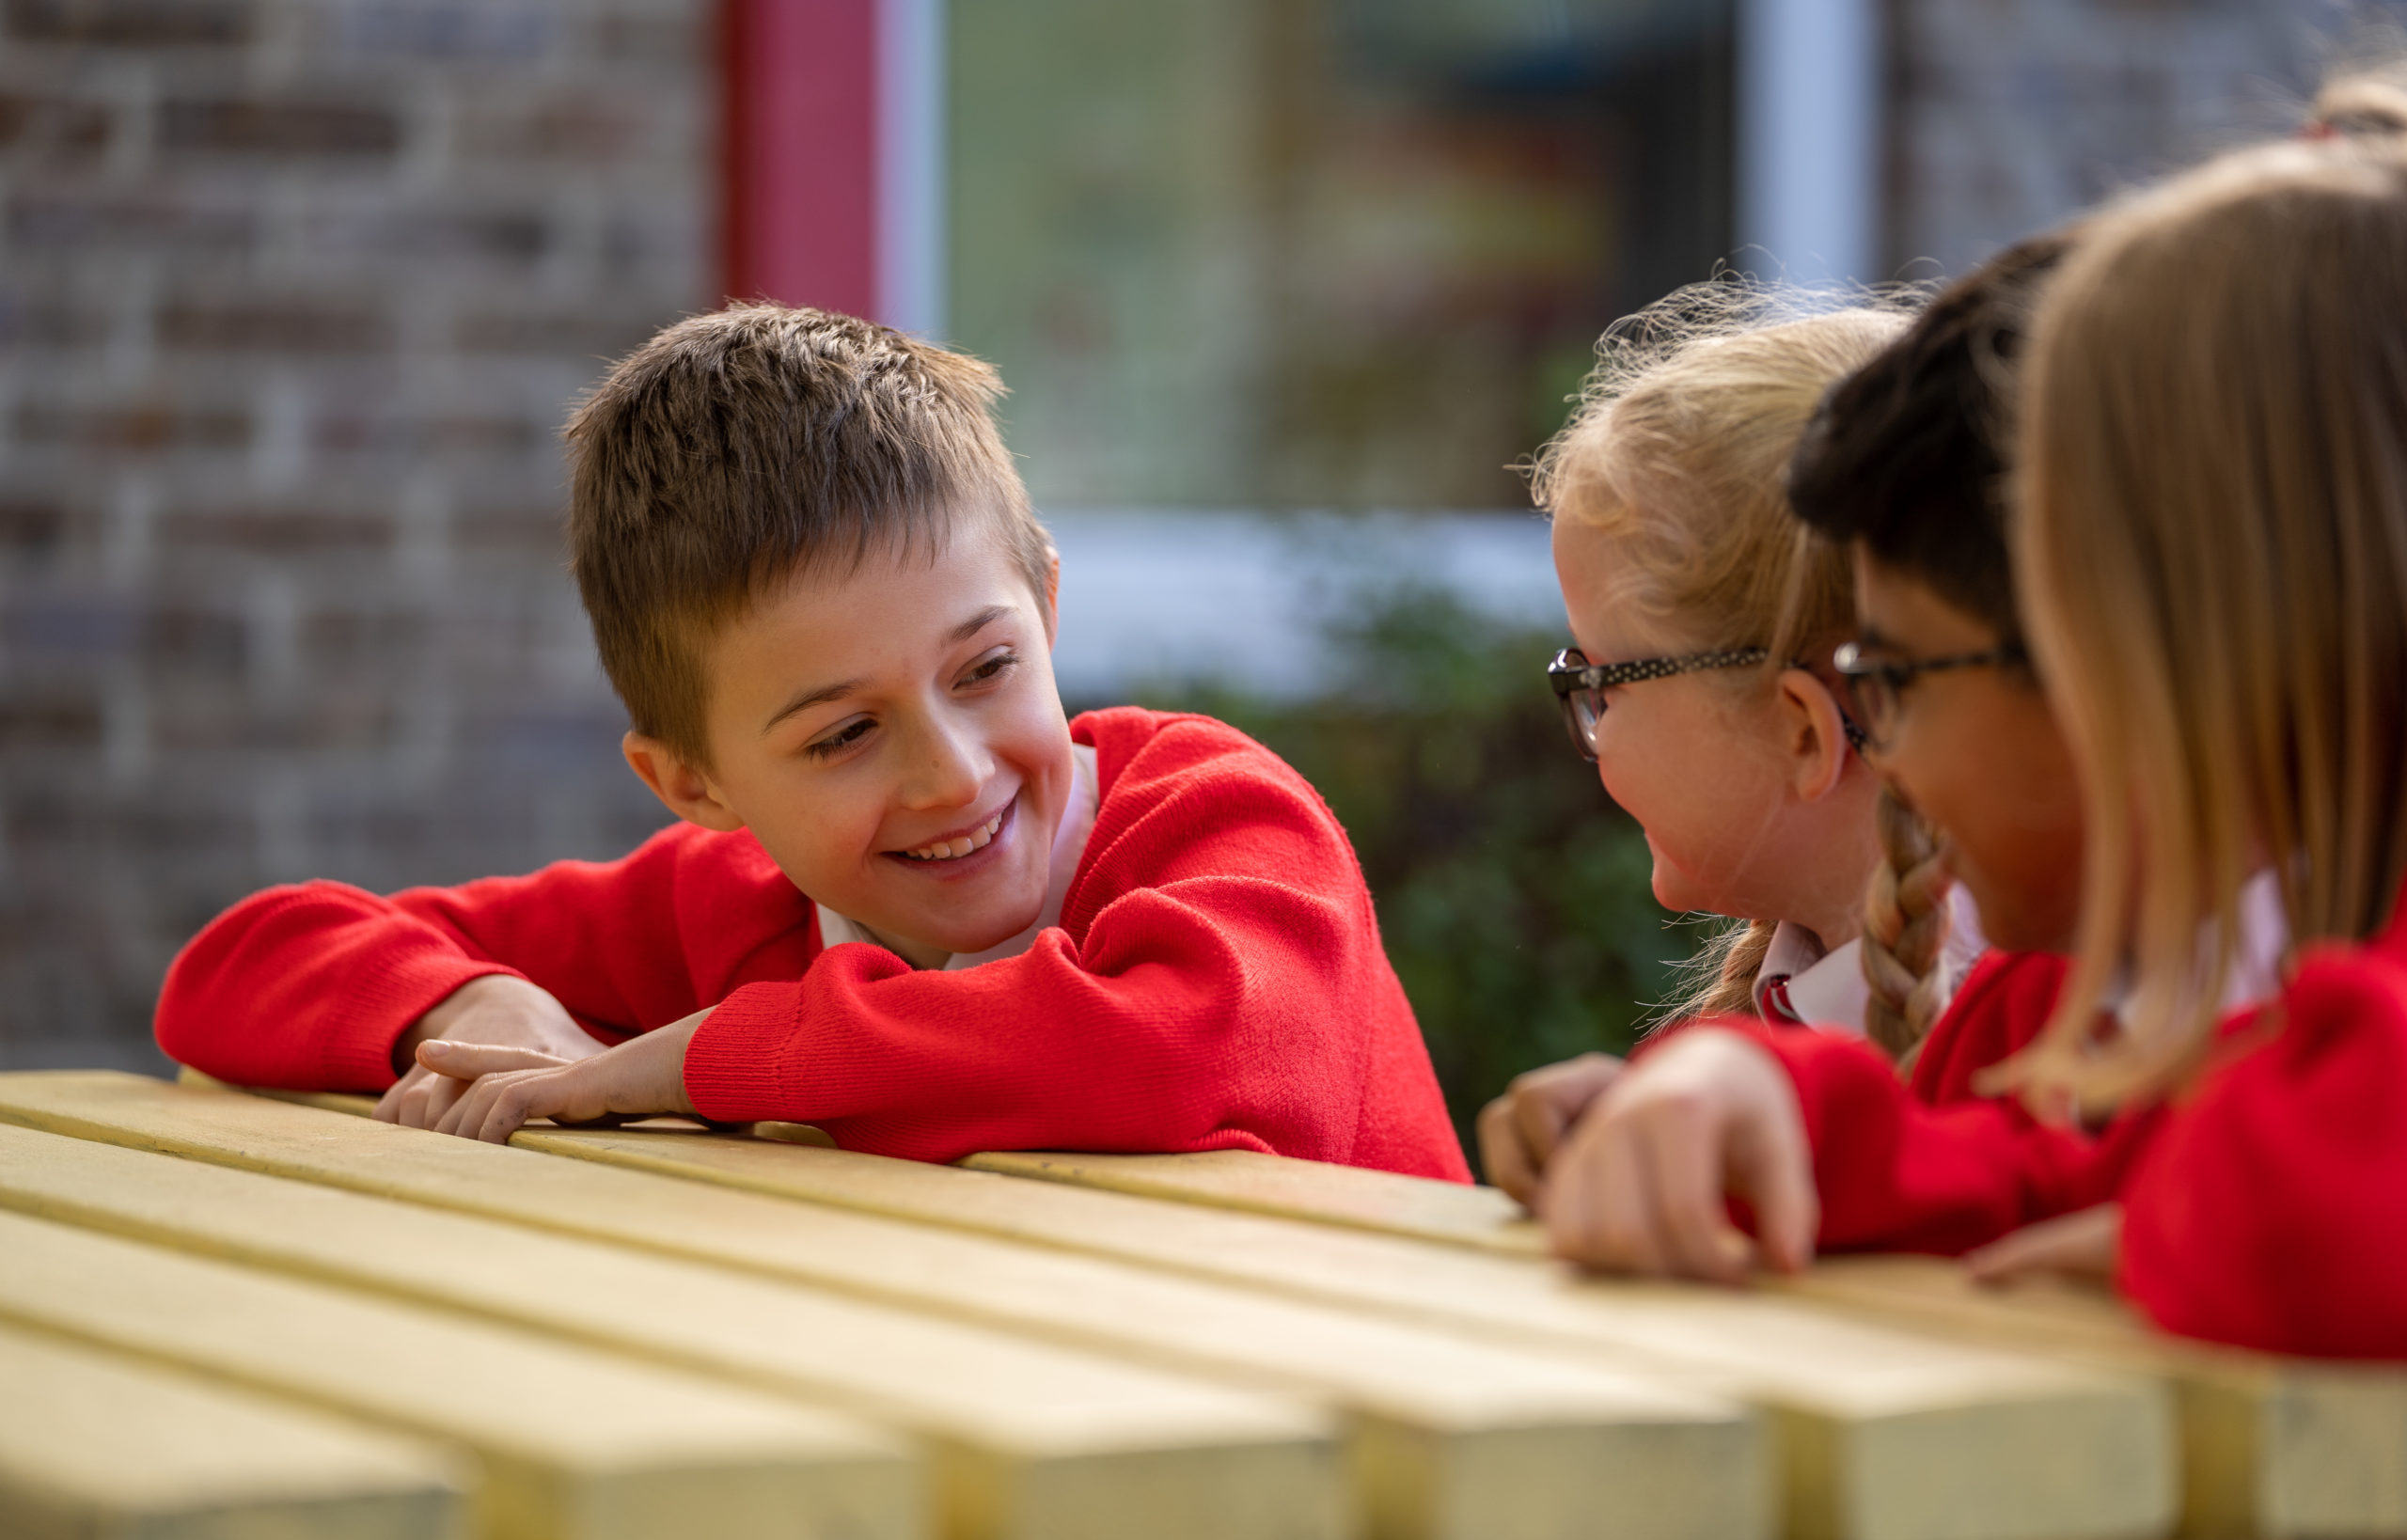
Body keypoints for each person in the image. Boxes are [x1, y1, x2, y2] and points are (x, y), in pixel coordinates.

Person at [154, 305, 1470, 1179]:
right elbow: (239, 964)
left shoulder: (1218, 823)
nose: (952, 770)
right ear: (696, 783)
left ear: (1049, 605)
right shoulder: (734, 906)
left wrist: (703, 1057)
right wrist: (469, 1001)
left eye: (988, 666)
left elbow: (1179, 1052)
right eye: (843, 732)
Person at [1532, 136, 2407, 1364]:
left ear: (2154, 661)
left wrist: (2159, 1225)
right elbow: (2026, 1176)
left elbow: (2330, 1211)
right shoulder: (2106, 984)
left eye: (1896, 681)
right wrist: (1755, 1108)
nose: (1888, 754)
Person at [1477, 289, 1982, 1202]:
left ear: (1800, 730)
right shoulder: (1714, 1058)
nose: (1587, 726)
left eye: (1597, 682)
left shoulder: (2034, 1050)